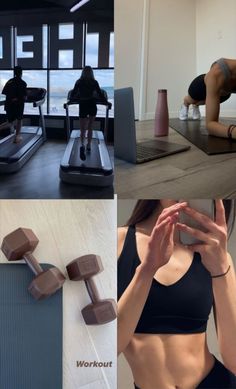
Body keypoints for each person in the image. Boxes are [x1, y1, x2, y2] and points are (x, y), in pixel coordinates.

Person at [118, 200, 236, 389]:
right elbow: (107, 349)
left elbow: (234, 361)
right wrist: (147, 269)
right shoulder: (117, 242)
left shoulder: (216, 257)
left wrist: (221, 267)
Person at [179, 58, 236, 139]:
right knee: (193, 100)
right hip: (200, 86)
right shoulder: (216, 74)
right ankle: (186, 102)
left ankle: (196, 105)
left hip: (223, 93)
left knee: (204, 101)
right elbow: (210, 125)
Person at [71, 66, 108, 161]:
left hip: (83, 105)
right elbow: (100, 94)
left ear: (82, 72)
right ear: (91, 73)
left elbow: (73, 94)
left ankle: (82, 144)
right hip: (92, 104)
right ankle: (89, 145)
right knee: (90, 126)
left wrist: (73, 99)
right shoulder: (94, 82)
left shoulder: (79, 82)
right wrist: (106, 102)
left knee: (83, 128)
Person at [0, 66, 27, 143]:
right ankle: (17, 136)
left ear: (14, 72)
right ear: (21, 73)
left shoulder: (9, 81)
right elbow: (24, 97)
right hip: (18, 105)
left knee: (10, 122)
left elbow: (4, 92)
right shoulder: (23, 83)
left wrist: (12, 98)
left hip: (8, 105)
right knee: (19, 120)